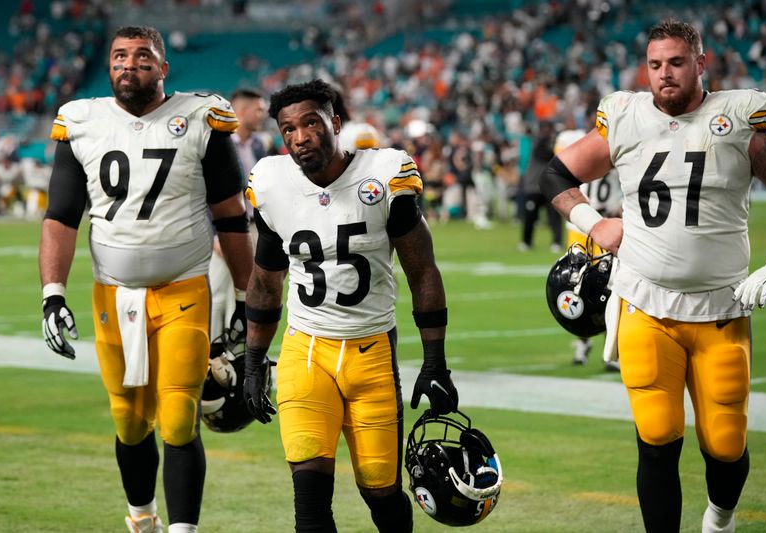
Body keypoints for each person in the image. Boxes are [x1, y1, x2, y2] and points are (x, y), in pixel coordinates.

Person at [540, 19, 766, 533]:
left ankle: (720, 518)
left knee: (725, 443)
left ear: (700, 62)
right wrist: (593, 222)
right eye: (654, 65)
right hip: (645, 306)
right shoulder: (625, 116)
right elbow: (556, 175)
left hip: (720, 307)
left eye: (675, 62)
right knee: (657, 437)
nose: (664, 75)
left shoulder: (737, 116)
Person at [39, 26, 254, 533]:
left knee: (179, 416)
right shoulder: (83, 120)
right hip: (112, 292)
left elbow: (230, 215)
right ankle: (142, 518)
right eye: (118, 56)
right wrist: (53, 294)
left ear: (163, 68)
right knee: (130, 420)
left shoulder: (201, 115)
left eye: (141, 56)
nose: (127, 65)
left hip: (184, 287)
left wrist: (247, 296)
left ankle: (183, 529)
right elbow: (62, 217)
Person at [242, 79, 459, 532]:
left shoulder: (385, 172)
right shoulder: (272, 182)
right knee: (310, 499)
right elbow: (265, 280)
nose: (299, 138)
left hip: (372, 353)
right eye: (288, 130)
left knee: (382, 493)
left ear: (335, 123)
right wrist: (254, 360)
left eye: (310, 124)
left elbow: (422, 270)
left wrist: (435, 361)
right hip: (306, 352)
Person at [553, 117, 622, 370]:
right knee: (588, 288)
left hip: (594, 226)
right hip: (591, 224)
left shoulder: (577, 141)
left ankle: (602, 347)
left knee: (600, 289)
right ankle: (593, 345)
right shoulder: (605, 143)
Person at [208, 88, 268, 347]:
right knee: (219, 293)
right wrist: (214, 236)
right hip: (224, 230)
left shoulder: (257, 145)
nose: (263, 114)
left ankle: (238, 354)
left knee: (247, 294)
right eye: (259, 109)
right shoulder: (217, 144)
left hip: (253, 228)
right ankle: (213, 356)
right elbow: (206, 193)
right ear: (241, 112)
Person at [520, 120, 563, 252]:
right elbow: (544, 153)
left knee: (554, 216)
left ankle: (556, 242)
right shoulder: (538, 142)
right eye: (545, 129)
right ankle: (526, 242)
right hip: (533, 186)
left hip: (549, 186)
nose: (547, 131)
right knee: (530, 216)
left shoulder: (550, 141)